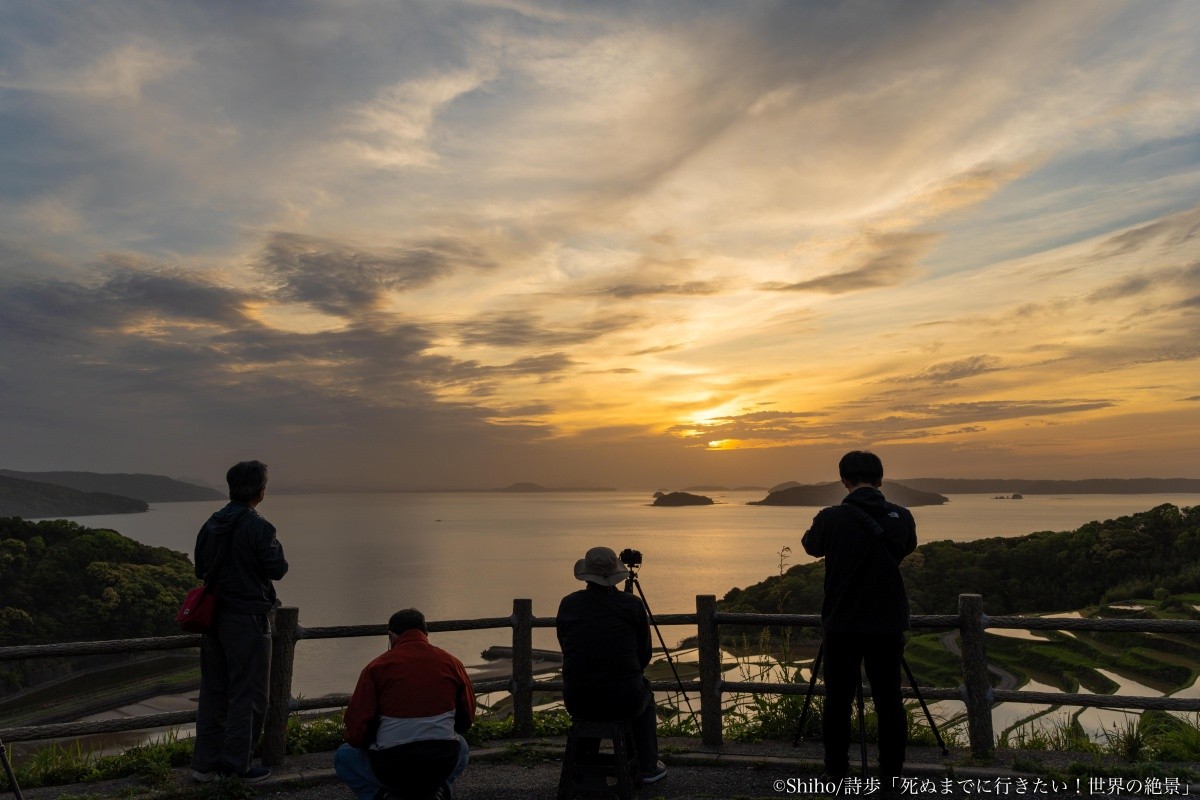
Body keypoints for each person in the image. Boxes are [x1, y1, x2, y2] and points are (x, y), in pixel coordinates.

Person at [800, 451, 917, 789]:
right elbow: (906, 547)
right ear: (880, 479)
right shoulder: (902, 516)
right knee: (889, 701)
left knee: (838, 700)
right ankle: (891, 776)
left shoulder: (831, 517)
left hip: (842, 621)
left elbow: (811, 546)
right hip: (888, 621)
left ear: (844, 480)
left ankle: (836, 773)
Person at [191, 459, 289, 783]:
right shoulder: (259, 526)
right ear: (260, 491)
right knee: (248, 696)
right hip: (247, 618)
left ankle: (205, 766)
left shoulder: (212, 522)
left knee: (214, 691)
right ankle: (238, 766)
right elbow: (277, 568)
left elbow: (200, 568)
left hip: (214, 617)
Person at [334, 608, 475, 800]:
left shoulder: (376, 668)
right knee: (463, 747)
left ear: (392, 636)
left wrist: (374, 740)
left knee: (343, 757)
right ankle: (439, 791)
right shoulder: (452, 663)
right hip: (441, 763)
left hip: (392, 768)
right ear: (425, 635)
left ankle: (383, 795)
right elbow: (466, 720)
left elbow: (356, 730)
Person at [556, 546, 667, 785]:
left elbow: (567, 647)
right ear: (616, 574)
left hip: (577, 699)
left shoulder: (568, 604)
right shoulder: (632, 605)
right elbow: (644, 656)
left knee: (594, 690)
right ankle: (647, 766)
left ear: (586, 575)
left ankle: (583, 764)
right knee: (644, 690)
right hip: (624, 700)